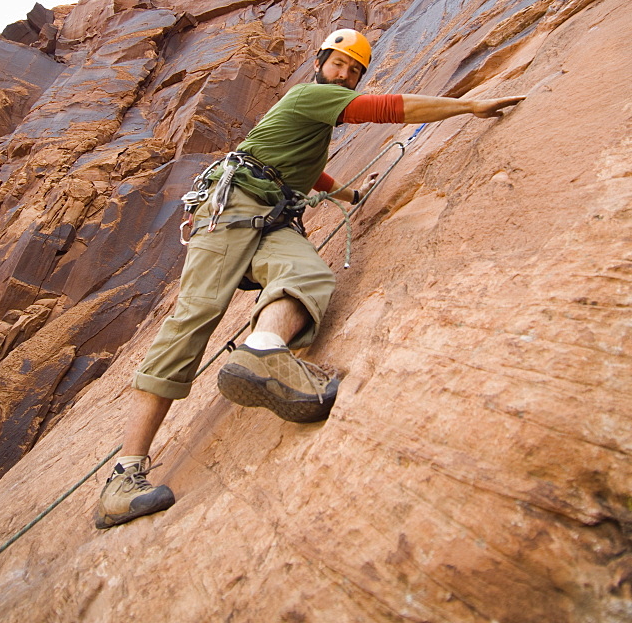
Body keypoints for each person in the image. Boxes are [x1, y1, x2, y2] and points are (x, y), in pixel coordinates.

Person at [95, 29, 523, 528]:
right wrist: (467, 106)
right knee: (194, 318)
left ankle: (264, 352)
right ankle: (123, 476)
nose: (344, 74)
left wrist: (344, 195)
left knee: (308, 275)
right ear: (320, 63)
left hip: (268, 216)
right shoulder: (310, 95)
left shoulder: (313, 120)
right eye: (338, 64)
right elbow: (386, 110)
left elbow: (308, 172)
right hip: (230, 209)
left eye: (354, 70)